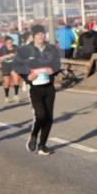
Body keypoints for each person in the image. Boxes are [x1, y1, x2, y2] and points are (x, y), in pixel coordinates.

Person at [13, 24, 62, 155]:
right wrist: (27, 76)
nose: (41, 36)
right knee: (41, 115)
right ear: (33, 36)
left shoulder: (51, 49)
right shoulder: (25, 50)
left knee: (49, 117)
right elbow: (16, 65)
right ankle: (34, 135)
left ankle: (42, 146)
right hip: (35, 88)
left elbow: (57, 64)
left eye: (43, 33)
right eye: (38, 34)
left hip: (49, 86)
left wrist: (54, 70)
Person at [0, 36, 22, 103]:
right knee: (7, 83)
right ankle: (6, 97)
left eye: (11, 42)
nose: (10, 43)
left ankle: (16, 95)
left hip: (14, 65)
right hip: (5, 66)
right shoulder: (2, 49)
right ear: (5, 43)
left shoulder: (16, 47)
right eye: (8, 42)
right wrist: (6, 56)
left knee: (16, 79)